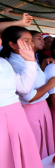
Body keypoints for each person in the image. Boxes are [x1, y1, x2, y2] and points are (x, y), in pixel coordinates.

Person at [2, 26, 55, 159]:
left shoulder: (28, 58)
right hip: (31, 109)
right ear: (12, 44)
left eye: (30, 40)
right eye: (26, 41)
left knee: (45, 144)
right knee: (35, 148)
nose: (31, 44)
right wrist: (49, 85)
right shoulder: (14, 63)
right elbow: (29, 96)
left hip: (41, 106)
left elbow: (34, 80)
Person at [0, 36, 43, 167]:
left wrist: (30, 61)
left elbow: (23, 87)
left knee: (24, 156)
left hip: (16, 113)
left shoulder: (4, 62)